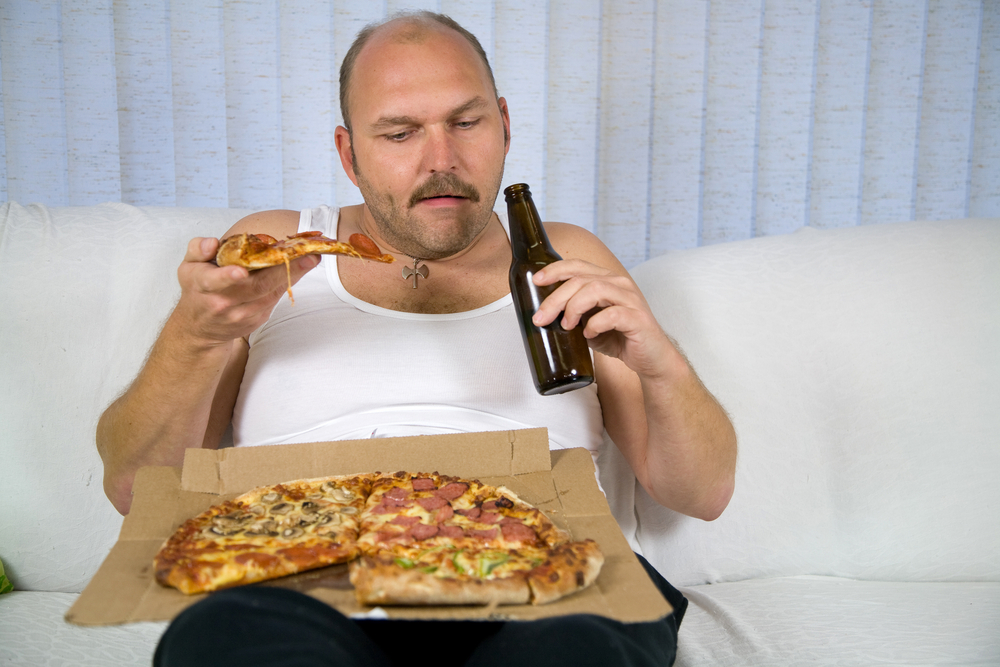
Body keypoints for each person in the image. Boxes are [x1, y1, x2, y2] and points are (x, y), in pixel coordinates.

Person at [96, 11, 737, 667]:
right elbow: (133, 487)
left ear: (505, 124)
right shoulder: (275, 253)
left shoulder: (563, 260)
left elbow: (702, 492)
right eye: (400, 133)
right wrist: (196, 335)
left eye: (466, 122)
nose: (442, 160)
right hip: (298, 576)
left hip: (548, 576)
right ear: (349, 154)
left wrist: (662, 366)